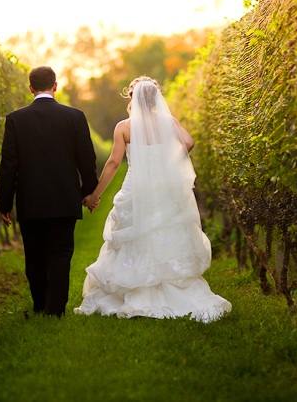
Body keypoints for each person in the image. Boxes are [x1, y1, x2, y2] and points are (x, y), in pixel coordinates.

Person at [74, 77, 231, 323]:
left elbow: (114, 162)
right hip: (163, 186)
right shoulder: (168, 122)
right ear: (156, 98)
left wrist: (95, 195)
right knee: (166, 232)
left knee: (135, 233)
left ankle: (135, 287)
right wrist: (170, 163)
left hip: (136, 187)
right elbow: (188, 142)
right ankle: (170, 287)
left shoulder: (124, 127)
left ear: (132, 98)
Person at [0, 66, 99, 317]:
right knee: (61, 254)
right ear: (56, 85)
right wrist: (89, 192)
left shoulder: (15, 119)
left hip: (30, 200)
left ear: (30, 88)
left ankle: (40, 304)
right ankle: (55, 311)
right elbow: (86, 159)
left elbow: (9, 164)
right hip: (65, 199)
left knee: (34, 255)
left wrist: (5, 203)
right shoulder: (75, 116)